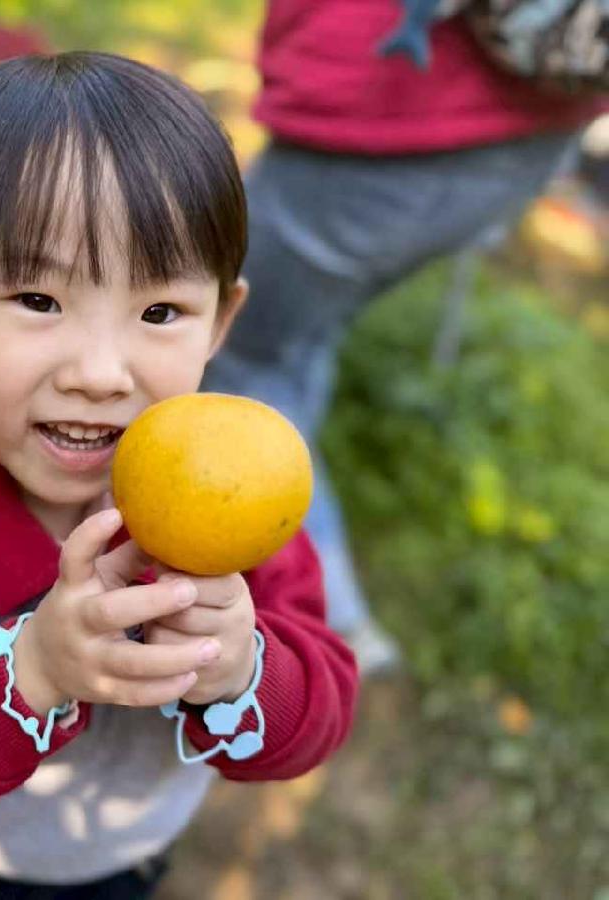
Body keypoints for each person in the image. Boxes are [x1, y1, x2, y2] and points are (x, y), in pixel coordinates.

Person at [0, 52, 358, 899]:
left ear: (220, 321)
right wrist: (30, 670)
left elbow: (318, 715)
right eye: (38, 300)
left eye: (159, 311)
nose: (102, 374)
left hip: (127, 862)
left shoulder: (228, 512)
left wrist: (240, 667)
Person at [200, 0, 609, 676]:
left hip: (395, 121)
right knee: (296, 338)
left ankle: (315, 615)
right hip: (518, 120)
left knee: (240, 353)